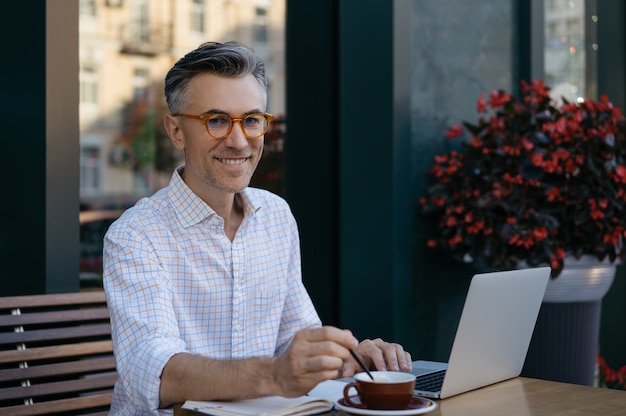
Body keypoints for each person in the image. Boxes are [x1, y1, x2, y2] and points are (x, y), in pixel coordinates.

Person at [103, 41, 412, 415]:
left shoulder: (275, 215)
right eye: (216, 120)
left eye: (251, 120)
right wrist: (274, 375)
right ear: (176, 131)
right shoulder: (136, 235)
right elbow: (153, 372)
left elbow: (295, 341)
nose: (238, 141)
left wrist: (349, 360)